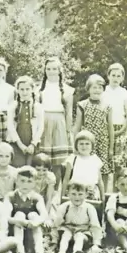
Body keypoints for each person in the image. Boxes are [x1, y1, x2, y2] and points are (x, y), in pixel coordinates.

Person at [38, 57, 75, 189]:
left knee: (58, 163)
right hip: (43, 123)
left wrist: (68, 131)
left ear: (59, 71)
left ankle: (55, 192)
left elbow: (69, 113)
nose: (51, 71)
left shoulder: (67, 90)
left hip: (59, 123)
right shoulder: (39, 89)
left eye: (54, 69)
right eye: (48, 69)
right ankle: (42, 189)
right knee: (43, 160)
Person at [74, 74, 114, 190]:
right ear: (88, 89)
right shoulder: (82, 105)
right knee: (86, 167)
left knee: (104, 169)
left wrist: (110, 148)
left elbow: (110, 128)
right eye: (94, 87)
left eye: (100, 87)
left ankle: (103, 195)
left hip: (103, 142)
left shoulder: (107, 106)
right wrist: (75, 146)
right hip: (87, 142)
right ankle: (86, 193)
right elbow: (77, 127)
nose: (97, 90)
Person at [4, 166, 48, 253]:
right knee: (19, 214)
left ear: (34, 183)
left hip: (32, 230)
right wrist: (19, 221)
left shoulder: (37, 197)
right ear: (16, 181)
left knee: (34, 215)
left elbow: (44, 214)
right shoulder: (11, 196)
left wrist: (36, 222)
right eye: (22, 181)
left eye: (29, 181)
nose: (25, 185)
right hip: (16, 230)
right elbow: (6, 216)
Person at [52, 183, 102, 253]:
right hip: (68, 229)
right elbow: (56, 224)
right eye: (73, 194)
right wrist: (54, 240)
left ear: (86, 194)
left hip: (83, 231)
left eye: (80, 194)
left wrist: (96, 244)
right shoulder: (64, 207)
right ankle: (61, 252)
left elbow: (95, 226)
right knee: (65, 235)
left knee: (79, 236)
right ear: (68, 194)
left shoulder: (89, 208)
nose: (77, 197)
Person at [102, 63, 127, 178]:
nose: (115, 78)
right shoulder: (103, 93)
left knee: (119, 162)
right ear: (108, 76)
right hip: (105, 129)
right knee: (104, 161)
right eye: (113, 75)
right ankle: (103, 193)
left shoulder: (126, 94)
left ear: (122, 78)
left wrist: (122, 130)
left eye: (118, 76)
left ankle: (116, 190)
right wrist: (107, 130)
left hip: (121, 130)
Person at [7, 76, 44, 167]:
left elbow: (40, 127)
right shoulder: (13, 106)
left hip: (32, 142)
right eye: (21, 89)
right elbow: (10, 127)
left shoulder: (38, 107)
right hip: (17, 142)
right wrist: (20, 144)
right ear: (17, 90)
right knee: (17, 166)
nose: (24, 92)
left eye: (27, 89)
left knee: (31, 167)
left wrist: (33, 144)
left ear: (32, 89)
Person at [62, 130, 106, 202]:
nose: (84, 146)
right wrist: (63, 196)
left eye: (87, 144)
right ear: (76, 145)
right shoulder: (72, 158)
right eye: (81, 144)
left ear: (92, 146)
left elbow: (100, 181)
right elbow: (66, 179)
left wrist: (103, 198)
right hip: (75, 192)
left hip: (91, 193)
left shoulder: (95, 159)